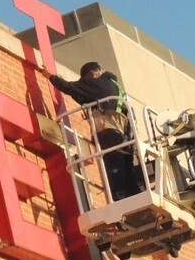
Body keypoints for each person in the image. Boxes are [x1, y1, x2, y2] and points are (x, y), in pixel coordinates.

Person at [48, 61, 139, 202]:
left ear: (92, 73)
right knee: (128, 169)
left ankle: (121, 198)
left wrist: (51, 76)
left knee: (113, 168)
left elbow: (69, 87)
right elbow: (82, 96)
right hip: (125, 134)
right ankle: (136, 197)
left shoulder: (97, 84)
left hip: (109, 130)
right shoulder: (113, 85)